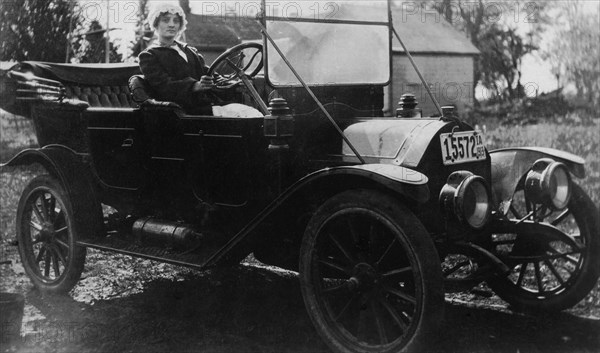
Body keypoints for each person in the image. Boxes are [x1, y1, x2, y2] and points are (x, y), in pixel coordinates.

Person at [138, 4, 262, 117]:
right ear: (155, 24)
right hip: (181, 112)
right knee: (248, 115)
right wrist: (194, 86)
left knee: (253, 114)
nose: (171, 25)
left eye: (176, 21)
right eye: (166, 20)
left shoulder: (190, 51)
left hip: (207, 105)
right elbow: (163, 86)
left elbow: (210, 74)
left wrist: (233, 84)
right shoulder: (149, 56)